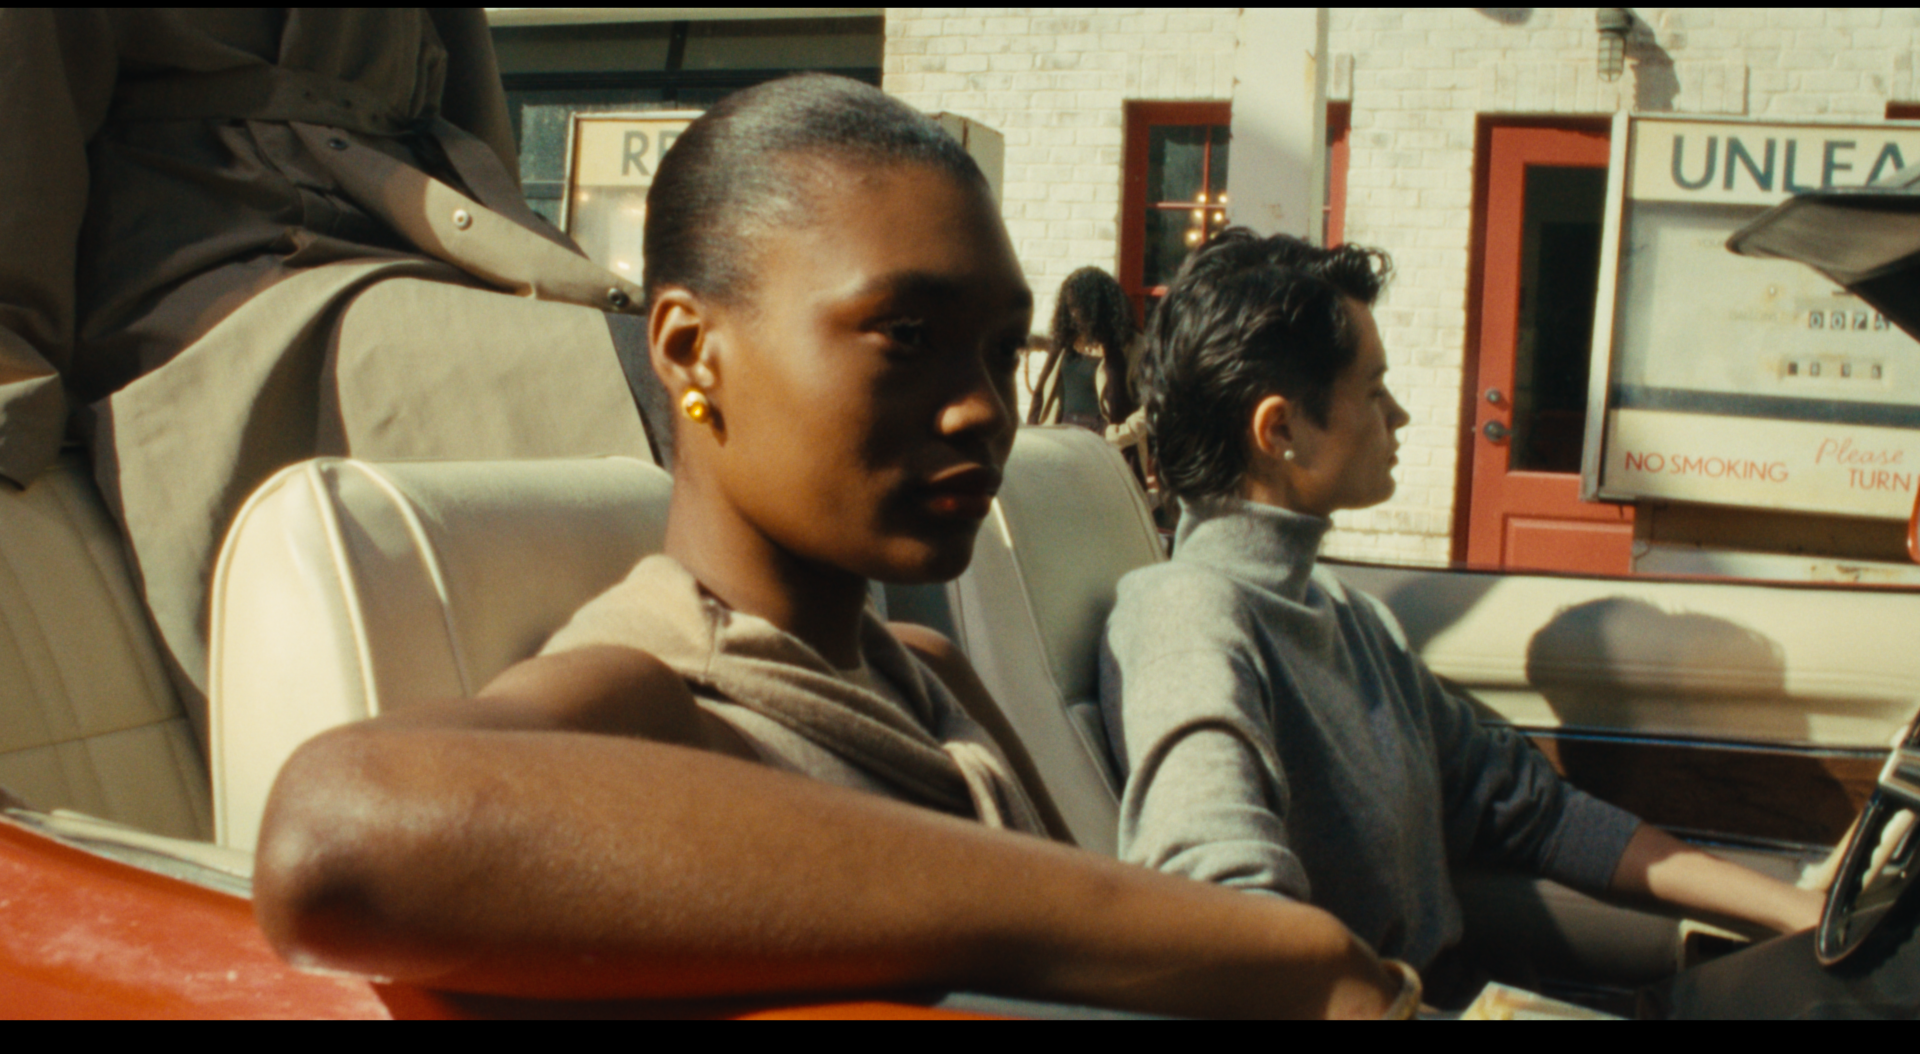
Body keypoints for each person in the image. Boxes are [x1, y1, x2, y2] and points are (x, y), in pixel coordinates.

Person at [250, 76, 1418, 1019]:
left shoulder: (927, 674)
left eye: (1001, 350)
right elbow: (333, 832)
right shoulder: (656, 691)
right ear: (691, 349)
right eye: (905, 334)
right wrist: (1276, 952)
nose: (982, 408)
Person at [1099, 228, 1824, 998]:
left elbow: (1530, 809)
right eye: (1374, 389)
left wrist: (1797, 908)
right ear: (1279, 430)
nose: (1399, 414)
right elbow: (1221, 907)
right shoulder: (1186, 614)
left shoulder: (1345, 614)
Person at [0, 9, 652, 738]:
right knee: (651, 387)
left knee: (675, 374)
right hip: (207, 277)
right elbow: (20, 121)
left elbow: (470, 111)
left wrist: (519, 258)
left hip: (418, 231)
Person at [1025, 268, 1152, 483]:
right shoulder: (1067, 341)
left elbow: (1155, 403)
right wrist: (1031, 341)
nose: (1075, 314)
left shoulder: (1134, 347)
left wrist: (1120, 434)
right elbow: (1065, 355)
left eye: (1081, 308)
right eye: (1070, 307)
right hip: (1060, 444)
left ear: (1100, 308)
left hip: (1105, 448)